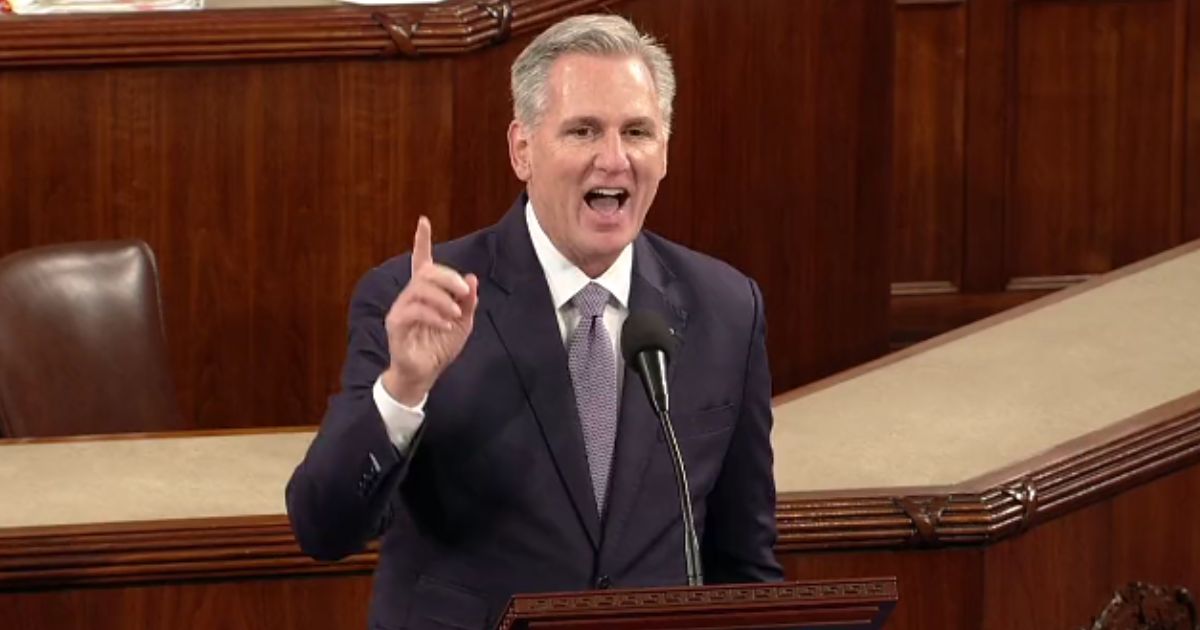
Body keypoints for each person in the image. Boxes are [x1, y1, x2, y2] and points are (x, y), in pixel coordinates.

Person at [286, 13, 783, 629]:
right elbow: (322, 527)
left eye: (637, 131)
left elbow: (744, 567)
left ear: (665, 149)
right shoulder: (418, 299)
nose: (614, 159)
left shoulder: (726, 308)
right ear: (522, 149)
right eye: (583, 131)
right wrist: (404, 390)